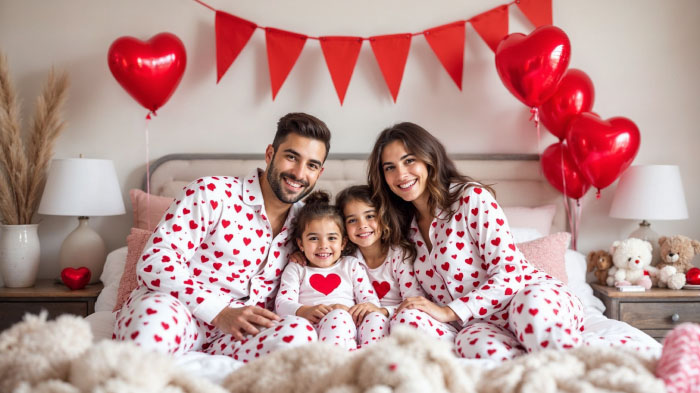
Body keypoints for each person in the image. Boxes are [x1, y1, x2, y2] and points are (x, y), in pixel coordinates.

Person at [114, 113, 331, 362]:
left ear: (319, 172)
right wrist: (219, 313)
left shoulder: (308, 224)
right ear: (270, 154)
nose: (299, 173)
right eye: (291, 157)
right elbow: (156, 261)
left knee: (300, 334)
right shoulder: (212, 193)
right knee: (153, 320)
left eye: (312, 165)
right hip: (179, 310)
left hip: (239, 335)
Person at [367, 122, 585, 360]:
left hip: (528, 297)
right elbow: (419, 300)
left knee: (529, 307)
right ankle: (523, 375)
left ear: (429, 158)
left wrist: (450, 311)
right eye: (390, 167)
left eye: (409, 161)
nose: (400, 174)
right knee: (457, 338)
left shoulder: (470, 198)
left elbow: (510, 274)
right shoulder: (404, 229)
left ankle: (571, 369)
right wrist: (382, 310)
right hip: (478, 324)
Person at [335, 185, 457, 345]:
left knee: (400, 319)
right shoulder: (346, 260)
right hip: (370, 327)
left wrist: (383, 311)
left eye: (370, 216)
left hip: (404, 317)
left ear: (382, 217)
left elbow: (412, 301)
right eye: (352, 220)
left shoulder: (399, 254)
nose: (362, 225)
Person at [275, 191, 383, 351]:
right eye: (313, 238)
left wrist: (362, 309)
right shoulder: (297, 268)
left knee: (376, 317)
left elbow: (370, 299)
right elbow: (282, 303)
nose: (323, 245)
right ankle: (333, 361)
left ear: (343, 243)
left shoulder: (351, 265)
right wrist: (304, 310)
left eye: (331, 238)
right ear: (301, 244)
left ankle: (371, 356)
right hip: (312, 327)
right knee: (336, 317)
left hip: (350, 324)